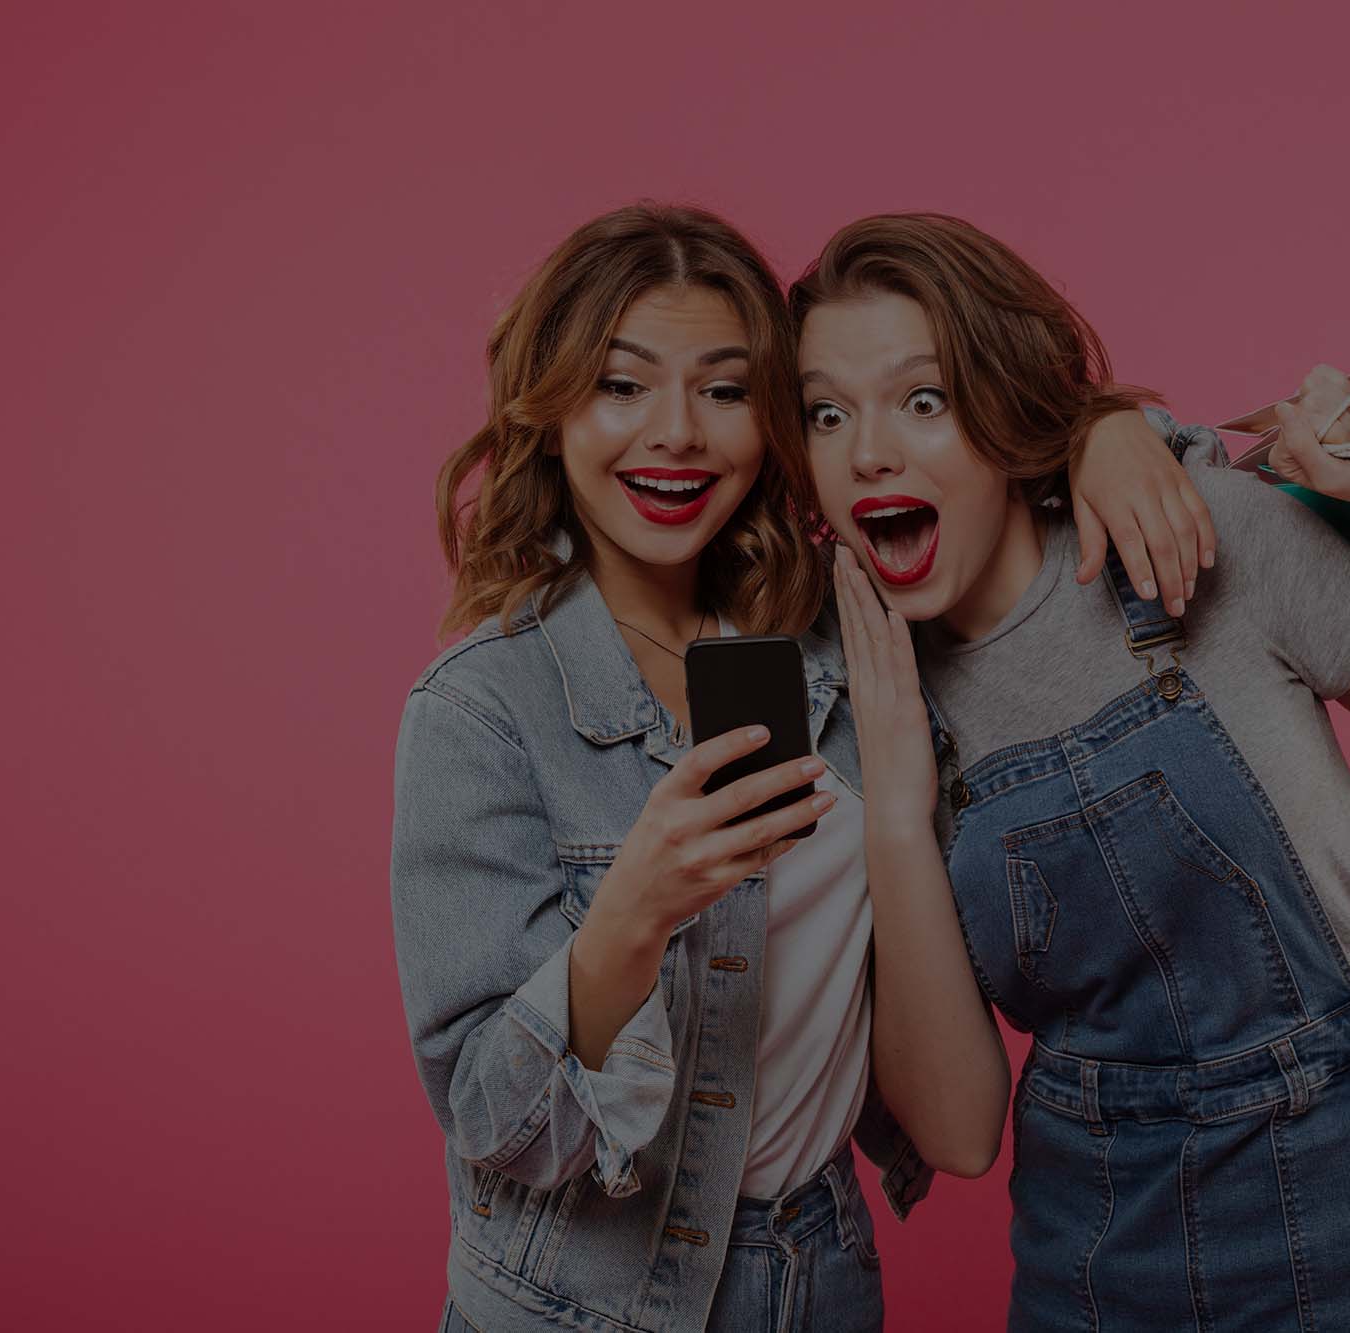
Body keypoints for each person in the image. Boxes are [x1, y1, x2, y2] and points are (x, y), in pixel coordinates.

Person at [389, 202, 1208, 1332]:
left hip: (813, 1277)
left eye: (724, 391)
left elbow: (988, 488)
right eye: (623, 386)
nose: (674, 433)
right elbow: (491, 1119)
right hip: (576, 1300)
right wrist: (631, 915)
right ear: (551, 412)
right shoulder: (482, 711)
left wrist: (1111, 430)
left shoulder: (850, 631)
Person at [793, 212, 1350, 1331]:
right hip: (1097, 1253)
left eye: (920, 400)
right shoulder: (858, 696)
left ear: (1004, 407)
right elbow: (957, 1134)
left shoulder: (1197, 537)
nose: (867, 451)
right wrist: (894, 807)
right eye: (826, 412)